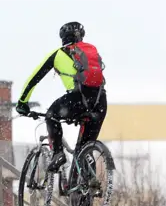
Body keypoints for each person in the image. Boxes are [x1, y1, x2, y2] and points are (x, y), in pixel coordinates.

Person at [15, 22, 107, 172]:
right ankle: (87, 188)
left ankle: (58, 153)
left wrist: (22, 103)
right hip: (100, 101)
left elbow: (33, 79)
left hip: (78, 99)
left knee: (51, 114)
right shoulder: (92, 53)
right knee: (85, 147)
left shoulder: (59, 53)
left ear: (63, 38)